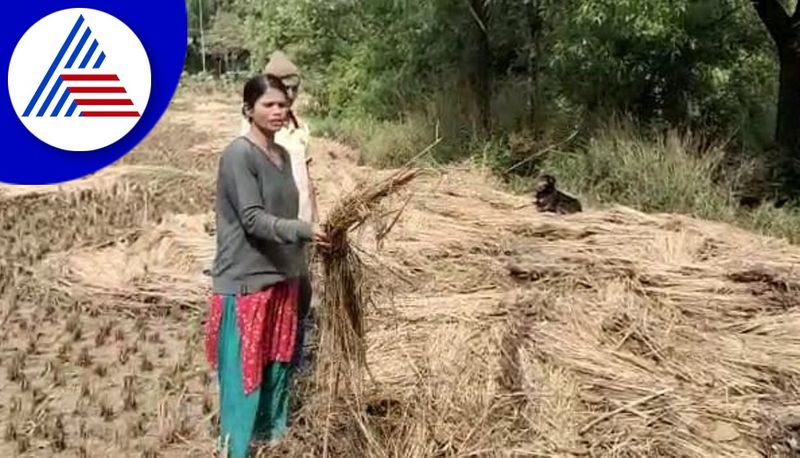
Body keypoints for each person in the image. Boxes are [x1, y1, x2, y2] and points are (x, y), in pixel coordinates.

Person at [205, 73, 325, 457]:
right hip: (247, 283)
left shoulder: (284, 155)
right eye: (268, 104)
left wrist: (304, 250)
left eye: (283, 104)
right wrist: (305, 230)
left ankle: (271, 444)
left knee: (277, 366)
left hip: (282, 277)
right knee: (246, 376)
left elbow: (287, 210)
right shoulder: (239, 155)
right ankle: (235, 450)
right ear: (248, 109)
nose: (278, 111)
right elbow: (254, 219)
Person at [242, 50, 319, 373]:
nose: (289, 97)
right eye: (283, 89)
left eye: (293, 90)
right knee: (270, 301)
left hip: (299, 229)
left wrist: (315, 221)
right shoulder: (254, 134)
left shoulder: (299, 131)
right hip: (272, 231)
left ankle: (293, 365)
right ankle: (264, 369)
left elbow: (308, 181)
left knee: (299, 298)